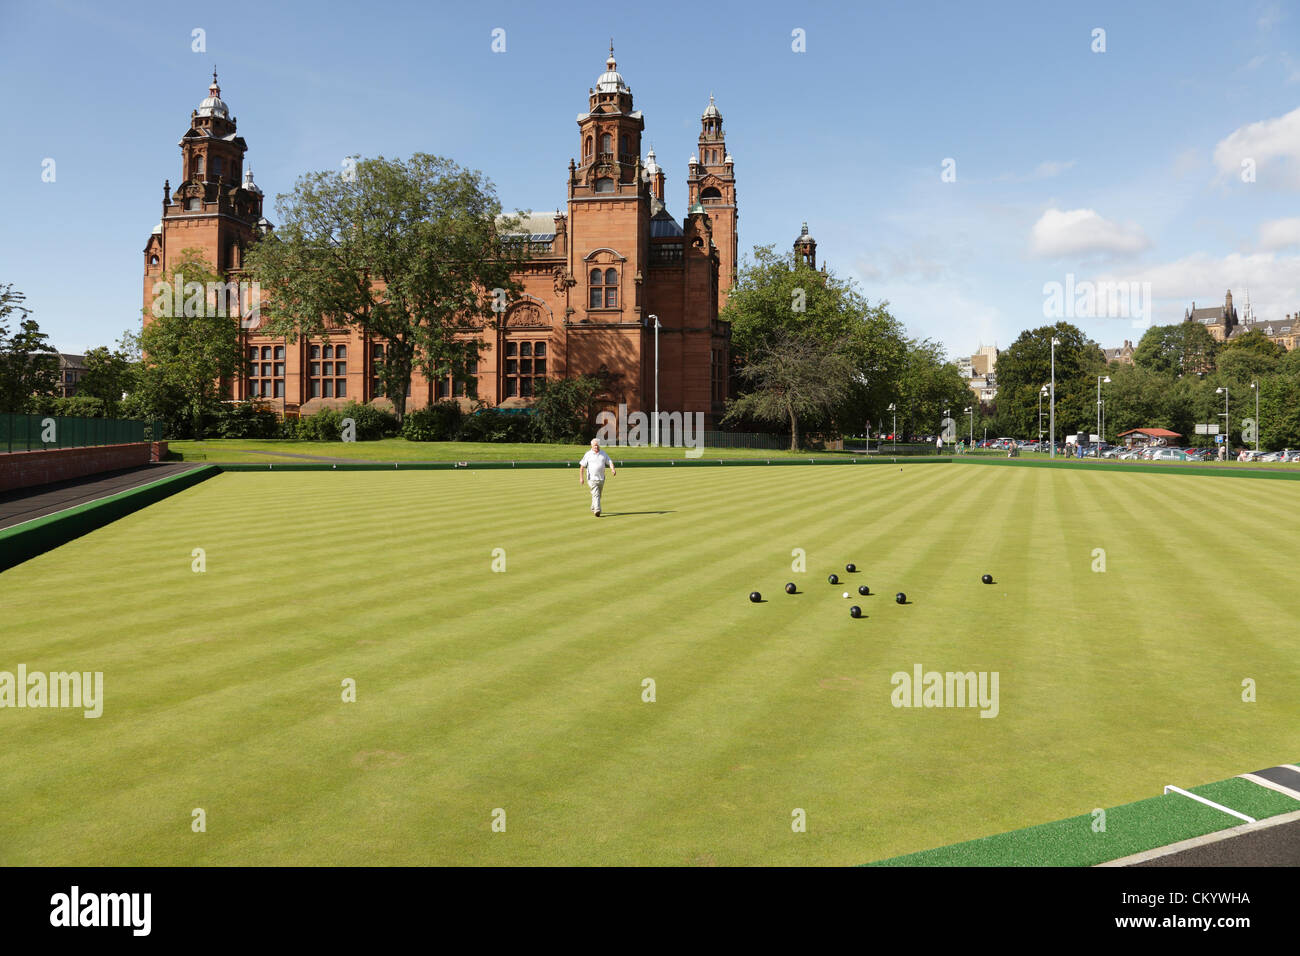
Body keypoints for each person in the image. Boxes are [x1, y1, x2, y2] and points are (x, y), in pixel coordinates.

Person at [579, 438, 615, 517]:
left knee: (598, 495)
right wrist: (581, 478)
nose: (596, 447)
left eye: (597, 445)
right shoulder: (588, 454)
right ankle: (597, 510)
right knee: (596, 494)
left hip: (601, 478)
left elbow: (609, 461)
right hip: (591, 479)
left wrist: (612, 469)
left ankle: (593, 507)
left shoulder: (603, 453)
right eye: (595, 445)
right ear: (591, 446)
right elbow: (582, 467)